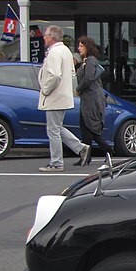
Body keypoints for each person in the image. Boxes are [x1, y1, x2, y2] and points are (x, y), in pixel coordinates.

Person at [37, 25, 90, 172]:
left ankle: (57, 163)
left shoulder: (54, 52)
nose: (44, 38)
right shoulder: (66, 51)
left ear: (52, 37)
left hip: (55, 96)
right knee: (57, 127)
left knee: (53, 130)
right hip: (63, 95)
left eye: (46, 35)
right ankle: (80, 148)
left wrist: (45, 90)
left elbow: (54, 75)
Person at [75, 36, 110, 162]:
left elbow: (89, 78)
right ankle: (87, 156)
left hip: (92, 99)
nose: (79, 48)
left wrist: (78, 89)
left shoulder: (91, 61)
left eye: (81, 46)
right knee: (86, 128)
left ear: (87, 47)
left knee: (89, 127)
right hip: (87, 98)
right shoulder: (85, 61)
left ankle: (107, 150)